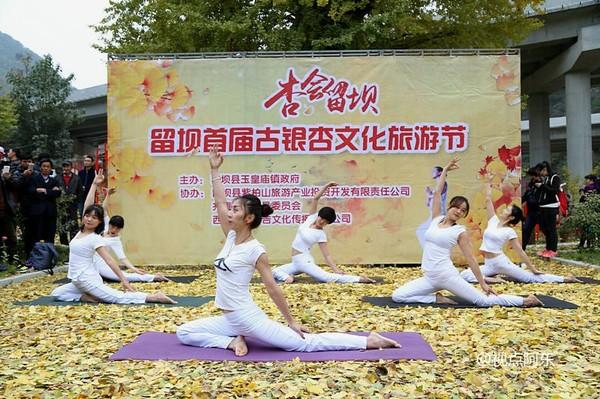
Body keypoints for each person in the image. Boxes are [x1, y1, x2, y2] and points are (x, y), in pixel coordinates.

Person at [177, 145, 399, 356]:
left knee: (304, 344)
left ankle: (368, 341)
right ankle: (232, 341)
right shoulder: (231, 236)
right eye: (231, 208)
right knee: (184, 332)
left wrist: (291, 321)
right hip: (229, 321)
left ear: (249, 218)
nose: (228, 212)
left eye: (235, 210)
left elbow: (273, 288)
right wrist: (215, 169)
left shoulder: (255, 250)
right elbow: (219, 201)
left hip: (247, 318)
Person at [391, 159, 543, 307]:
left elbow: (471, 258)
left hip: (447, 276)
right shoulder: (436, 219)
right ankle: (436, 299)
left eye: (463, 211)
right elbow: (437, 194)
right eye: (457, 207)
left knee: (483, 301)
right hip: (429, 277)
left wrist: (482, 283)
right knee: (398, 296)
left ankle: (524, 300)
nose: (459, 211)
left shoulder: (459, 231)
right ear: (450, 206)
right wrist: (444, 171)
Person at [51, 202, 175, 304]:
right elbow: (87, 205)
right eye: (87, 216)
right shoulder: (81, 232)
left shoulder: (95, 238)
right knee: (57, 293)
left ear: (99, 222)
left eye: (94, 218)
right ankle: (84, 297)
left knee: (117, 297)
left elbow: (109, 260)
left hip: (87, 279)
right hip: (76, 280)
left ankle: (153, 297)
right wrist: (94, 184)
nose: (89, 219)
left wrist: (124, 280)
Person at [460, 181, 580, 284]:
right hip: (489, 263)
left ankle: (564, 278)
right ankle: (492, 279)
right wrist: (488, 184)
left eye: (507, 210)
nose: (504, 209)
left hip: (500, 262)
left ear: (511, 217)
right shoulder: (493, 221)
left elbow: (520, 251)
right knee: (465, 275)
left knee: (529, 278)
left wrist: (532, 268)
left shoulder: (509, 231)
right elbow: (487, 201)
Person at [271, 182, 375, 284]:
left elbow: (327, 256)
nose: (322, 222)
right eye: (322, 218)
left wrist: (336, 270)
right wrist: (327, 186)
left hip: (304, 261)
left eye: (326, 222)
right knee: (274, 272)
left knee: (326, 278)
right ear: (318, 215)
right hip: (295, 262)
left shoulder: (321, 235)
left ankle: (359, 279)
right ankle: (289, 278)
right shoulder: (311, 218)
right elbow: (315, 198)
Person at [84, 170, 169, 283]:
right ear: (109, 224)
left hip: (102, 264)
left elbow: (123, 258)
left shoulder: (116, 241)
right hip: (88, 262)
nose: (113, 230)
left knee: (122, 276)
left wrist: (133, 268)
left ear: (120, 229)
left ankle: (153, 277)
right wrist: (108, 194)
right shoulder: (104, 227)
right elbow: (103, 209)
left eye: (117, 228)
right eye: (112, 227)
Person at [27, 159, 61, 249]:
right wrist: (50, 191)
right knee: (35, 235)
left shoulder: (54, 180)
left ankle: (49, 257)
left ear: (51, 169)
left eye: (48, 166)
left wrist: (44, 190)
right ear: (40, 168)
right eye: (44, 166)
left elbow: (57, 193)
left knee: (50, 236)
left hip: (50, 212)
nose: (46, 168)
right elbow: (31, 191)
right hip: (37, 212)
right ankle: (34, 257)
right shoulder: (34, 179)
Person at [416, 166, 448, 248]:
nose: (432, 172)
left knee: (424, 231)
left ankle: (432, 250)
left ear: (440, 173)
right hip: (433, 214)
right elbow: (429, 202)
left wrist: (429, 194)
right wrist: (429, 194)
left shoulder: (443, 184)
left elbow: (437, 195)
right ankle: (430, 250)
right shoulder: (437, 186)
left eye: (434, 171)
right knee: (423, 231)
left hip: (439, 213)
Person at [536, 161, 561, 258]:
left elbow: (554, 191)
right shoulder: (545, 179)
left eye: (541, 171)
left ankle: (553, 249)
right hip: (543, 207)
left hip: (552, 207)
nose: (541, 173)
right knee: (544, 228)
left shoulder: (555, 178)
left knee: (552, 229)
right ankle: (548, 248)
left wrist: (542, 186)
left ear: (546, 169)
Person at [57, 161, 81, 245]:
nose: (66, 168)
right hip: (61, 206)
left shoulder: (77, 178)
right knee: (62, 225)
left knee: (73, 225)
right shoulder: (57, 178)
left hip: (72, 206)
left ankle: (73, 244)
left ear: (71, 167)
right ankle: (64, 245)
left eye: (67, 166)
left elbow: (80, 192)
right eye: (64, 167)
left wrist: (75, 200)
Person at [521, 166, 541, 251]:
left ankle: (550, 249)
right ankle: (523, 248)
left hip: (540, 211)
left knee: (546, 230)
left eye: (533, 176)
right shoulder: (530, 185)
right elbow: (526, 196)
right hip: (531, 212)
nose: (532, 178)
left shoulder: (542, 184)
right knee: (526, 229)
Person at [578, 174, 599, 248]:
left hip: (586, 210)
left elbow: (583, 199)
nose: (586, 181)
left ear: (591, 180)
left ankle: (582, 244)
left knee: (585, 227)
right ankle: (590, 244)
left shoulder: (588, 187)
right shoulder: (597, 187)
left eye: (587, 179)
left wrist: (582, 191)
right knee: (590, 228)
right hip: (594, 210)